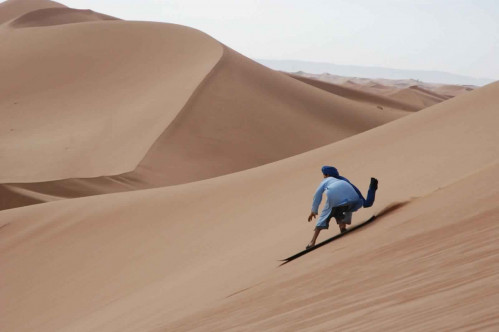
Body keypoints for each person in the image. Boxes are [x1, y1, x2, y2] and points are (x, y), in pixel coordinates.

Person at [306, 166, 378, 249]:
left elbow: (317, 195)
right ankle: (342, 227)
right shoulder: (342, 179)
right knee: (343, 208)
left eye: (323, 174)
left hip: (335, 195)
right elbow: (351, 190)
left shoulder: (326, 180)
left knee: (325, 215)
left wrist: (313, 210)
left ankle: (312, 242)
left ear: (327, 174)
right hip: (351, 196)